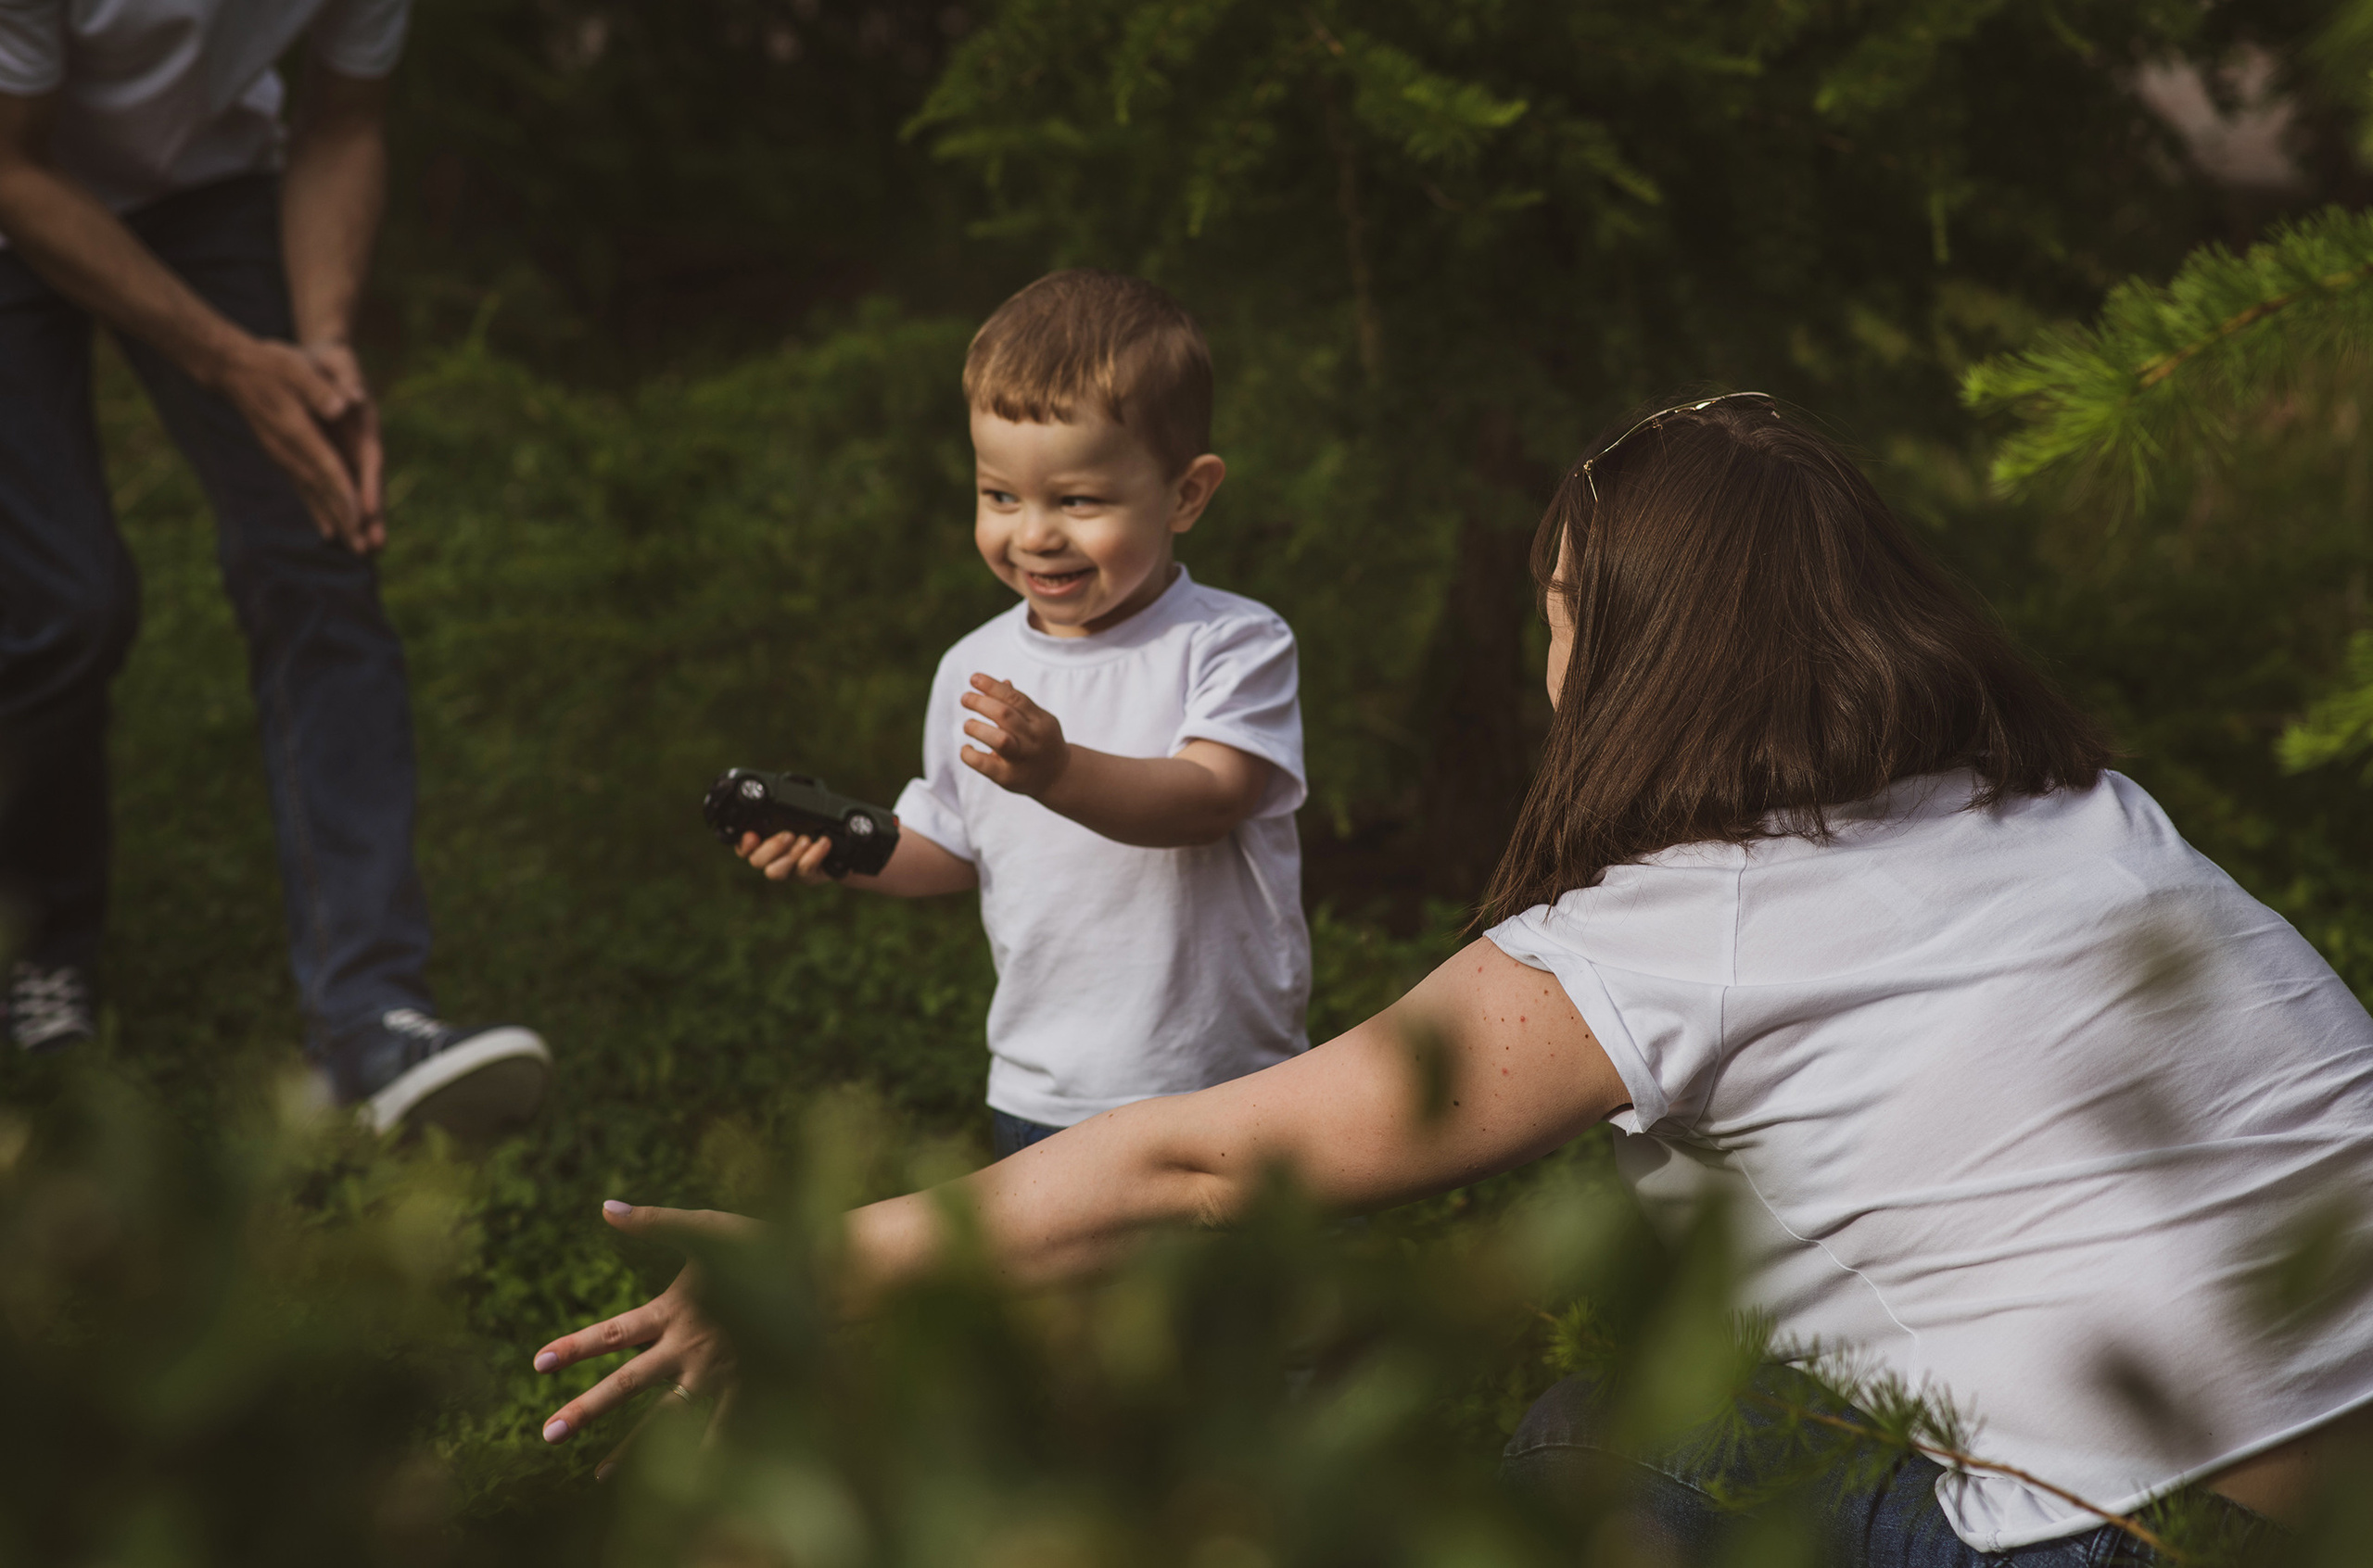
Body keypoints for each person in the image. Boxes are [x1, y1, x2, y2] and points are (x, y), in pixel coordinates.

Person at [531, 394, 2373, 1562]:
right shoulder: (2083, 808)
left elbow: (1196, 1164)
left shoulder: (1690, 916)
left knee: (1589, 1448)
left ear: (1638, 654)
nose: (1551, 655)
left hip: (2105, 1526)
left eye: (1559, 617)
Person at [0, 1, 550, 1135]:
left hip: (206, 188)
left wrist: (321, 348)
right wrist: (229, 362)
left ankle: (369, 1021)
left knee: (320, 546)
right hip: (13, 184)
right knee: (65, 605)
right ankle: (36, 944)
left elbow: (344, 120)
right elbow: (14, 165)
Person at [734, 269, 1309, 1161]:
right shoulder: (974, 665)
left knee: (1241, 1303)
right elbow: (955, 844)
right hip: (1045, 1088)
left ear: (1187, 494)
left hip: (1222, 1082)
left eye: (1078, 500)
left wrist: (1059, 772)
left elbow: (1212, 794)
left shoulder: (1231, 643)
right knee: (1062, 1305)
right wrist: (844, 847)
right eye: (1001, 496)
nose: (1034, 533)